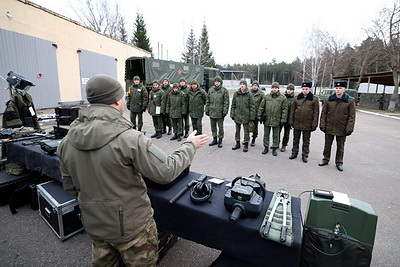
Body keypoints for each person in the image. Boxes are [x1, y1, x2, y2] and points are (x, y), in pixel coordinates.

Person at [57, 74, 210, 266]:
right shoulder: (130, 139)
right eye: (122, 96)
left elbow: (70, 186)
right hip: (132, 229)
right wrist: (189, 146)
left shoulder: (66, 142)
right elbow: (166, 171)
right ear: (116, 100)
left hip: (95, 224)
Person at [319, 80, 356, 171]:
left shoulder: (350, 101)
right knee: (327, 145)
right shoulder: (329, 100)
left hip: (342, 127)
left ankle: (339, 162)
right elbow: (324, 113)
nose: (338, 90)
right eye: (337, 88)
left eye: (340, 88)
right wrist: (322, 125)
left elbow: (352, 116)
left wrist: (349, 128)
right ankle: (325, 159)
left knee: (340, 146)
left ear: (344, 89)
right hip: (329, 126)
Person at [288, 81, 319, 163]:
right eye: (303, 89)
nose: (304, 90)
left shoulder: (314, 99)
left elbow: (316, 113)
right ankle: (294, 153)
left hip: (307, 124)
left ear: (310, 89)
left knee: (306, 140)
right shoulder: (297, 98)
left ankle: (305, 155)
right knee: (296, 139)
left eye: (306, 89)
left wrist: (314, 124)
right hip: (297, 122)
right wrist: (291, 121)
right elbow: (292, 111)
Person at [258, 82, 288, 156]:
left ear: (278, 89)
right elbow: (261, 107)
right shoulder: (266, 97)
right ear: (271, 88)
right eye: (273, 88)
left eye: (276, 88)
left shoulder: (282, 98)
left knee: (276, 135)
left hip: (277, 119)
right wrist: (259, 116)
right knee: (266, 134)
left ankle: (274, 148)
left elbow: (284, 110)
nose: (274, 89)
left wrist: (283, 120)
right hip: (267, 119)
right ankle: (266, 147)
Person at [230, 79, 255, 152]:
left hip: (246, 116)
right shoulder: (236, 94)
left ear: (246, 85)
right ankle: (237, 143)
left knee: (246, 131)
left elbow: (252, 106)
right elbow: (233, 105)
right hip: (237, 115)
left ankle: (246, 144)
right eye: (241, 84)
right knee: (237, 130)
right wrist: (232, 114)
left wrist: (252, 117)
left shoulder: (249, 94)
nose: (242, 85)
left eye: (244, 84)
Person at [205, 75, 229, 148]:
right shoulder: (211, 90)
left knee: (220, 127)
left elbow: (226, 102)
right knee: (213, 126)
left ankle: (220, 140)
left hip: (220, 112)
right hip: (212, 111)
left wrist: (224, 111)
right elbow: (208, 100)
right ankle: (214, 139)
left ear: (220, 82)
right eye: (216, 81)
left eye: (218, 82)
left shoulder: (224, 91)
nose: (217, 83)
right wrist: (207, 109)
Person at [280, 83, 295, 152]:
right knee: (277, 132)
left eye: (291, 90)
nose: (289, 91)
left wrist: (292, 121)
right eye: (288, 89)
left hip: (289, 119)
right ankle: (276, 143)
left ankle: (284, 145)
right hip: (281, 118)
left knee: (286, 133)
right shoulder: (282, 97)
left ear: (293, 91)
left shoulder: (295, 99)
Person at [249, 80, 264, 146]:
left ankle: (253, 139)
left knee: (255, 127)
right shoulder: (248, 93)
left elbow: (263, 104)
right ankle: (246, 138)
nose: (254, 87)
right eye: (253, 85)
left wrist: (261, 114)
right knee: (247, 127)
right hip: (249, 113)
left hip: (256, 113)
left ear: (258, 86)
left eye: (256, 86)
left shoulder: (261, 94)